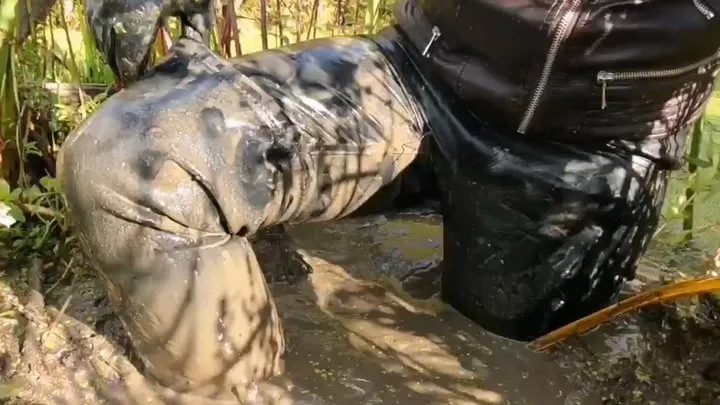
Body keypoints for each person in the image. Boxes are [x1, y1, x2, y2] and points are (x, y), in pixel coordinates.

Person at [59, 0, 720, 399]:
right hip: (411, 75)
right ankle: (239, 390)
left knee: (518, 367)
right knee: (129, 162)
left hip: (588, 152)